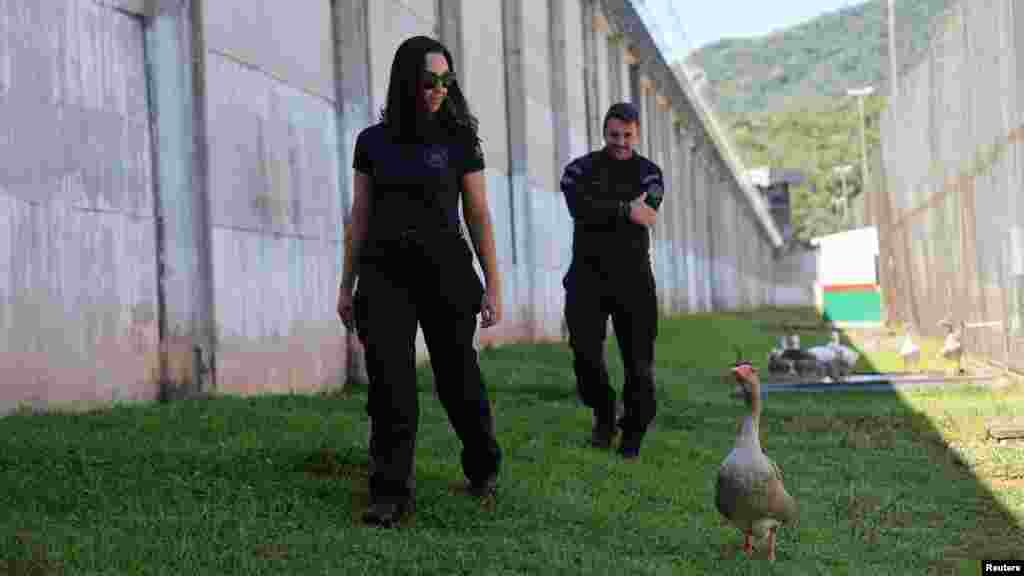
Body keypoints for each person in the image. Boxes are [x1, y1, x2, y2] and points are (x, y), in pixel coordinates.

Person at [336, 35, 503, 527]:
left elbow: (478, 215)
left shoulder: (458, 142)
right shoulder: (373, 142)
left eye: (446, 81)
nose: (438, 90)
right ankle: (389, 493)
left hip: (447, 275)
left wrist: (494, 286)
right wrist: (347, 285)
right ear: (406, 80)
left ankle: (482, 464)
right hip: (385, 275)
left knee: (457, 379)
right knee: (390, 383)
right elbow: (360, 217)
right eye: (430, 80)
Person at [559, 102, 664, 459]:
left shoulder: (650, 173)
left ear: (637, 134)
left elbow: (647, 213)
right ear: (604, 132)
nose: (620, 142)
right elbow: (578, 206)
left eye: (627, 135)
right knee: (585, 357)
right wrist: (623, 209)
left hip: (634, 283)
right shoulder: (579, 169)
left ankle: (632, 437)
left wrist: (600, 206)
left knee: (639, 366)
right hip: (586, 279)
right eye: (614, 134)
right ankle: (604, 412)